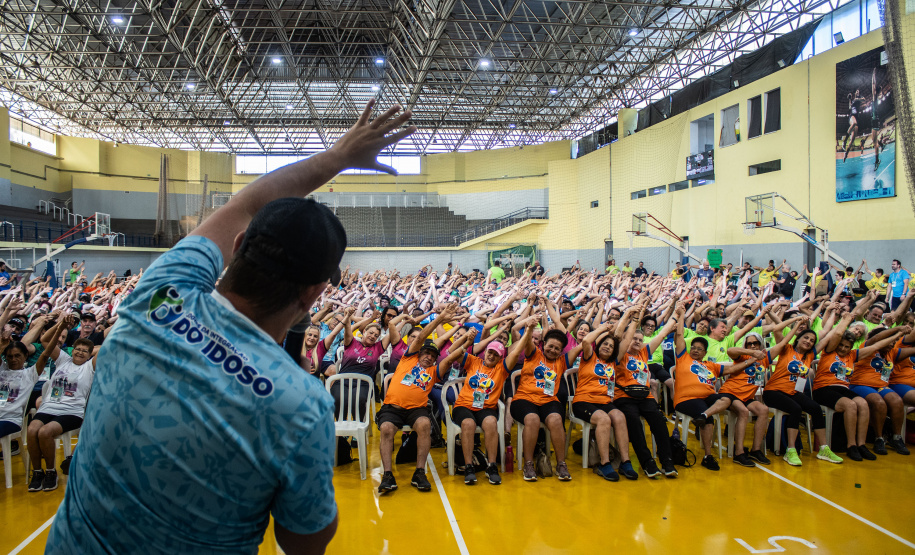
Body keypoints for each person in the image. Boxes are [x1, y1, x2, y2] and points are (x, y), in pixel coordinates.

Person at [46, 100, 416, 554]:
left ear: (239, 244)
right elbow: (303, 540)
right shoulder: (299, 404)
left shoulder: (162, 292)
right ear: (315, 293)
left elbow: (246, 203)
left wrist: (337, 156)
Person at [376, 304, 466, 494]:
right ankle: (387, 475)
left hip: (416, 409)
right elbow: (423, 335)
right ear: (419, 353)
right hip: (392, 407)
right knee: (386, 429)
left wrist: (466, 339)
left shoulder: (434, 371)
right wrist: (440, 318)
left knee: (425, 425)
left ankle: (419, 472)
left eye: (433, 356)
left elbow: (449, 359)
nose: (429, 357)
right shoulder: (408, 358)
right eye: (426, 353)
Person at [814, 313, 902, 461]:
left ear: (851, 347)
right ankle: (851, 445)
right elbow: (837, 333)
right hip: (823, 388)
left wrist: (898, 334)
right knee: (851, 405)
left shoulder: (853, 355)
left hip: (843, 389)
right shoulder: (829, 352)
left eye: (846, 347)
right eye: (841, 345)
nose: (842, 349)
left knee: (863, 404)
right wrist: (847, 319)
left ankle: (861, 445)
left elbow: (877, 345)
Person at [672, 314, 755, 470]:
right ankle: (708, 456)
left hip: (708, 397)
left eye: (700, 349)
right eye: (694, 348)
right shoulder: (683, 358)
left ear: (705, 353)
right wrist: (681, 314)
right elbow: (679, 335)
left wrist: (749, 361)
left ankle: (703, 415)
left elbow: (731, 368)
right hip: (686, 399)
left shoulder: (711, 365)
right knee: (708, 418)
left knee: (726, 399)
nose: (696, 350)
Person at [27, 315, 93, 492]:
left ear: (89, 355)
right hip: (49, 407)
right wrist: (61, 324)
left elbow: (105, 350)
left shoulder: (89, 367)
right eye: (77, 349)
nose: (79, 352)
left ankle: (50, 471)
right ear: (73, 350)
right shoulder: (63, 359)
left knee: (45, 432)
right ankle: (38, 472)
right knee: (32, 429)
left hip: (71, 412)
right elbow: (45, 339)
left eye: (84, 351)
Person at [761, 325, 843, 466]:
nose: (808, 341)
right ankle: (790, 450)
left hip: (793, 392)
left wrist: (842, 321)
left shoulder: (810, 355)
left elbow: (827, 338)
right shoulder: (786, 349)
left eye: (812, 340)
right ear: (798, 338)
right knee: (796, 409)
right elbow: (776, 331)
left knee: (816, 408)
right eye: (805, 337)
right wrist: (797, 322)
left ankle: (823, 449)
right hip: (773, 391)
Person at [615, 302, 680, 478]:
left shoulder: (644, 353)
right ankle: (647, 462)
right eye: (634, 339)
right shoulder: (620, 354)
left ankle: (667, 461)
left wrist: (676, 314)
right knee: (635, 423)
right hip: (624, 396)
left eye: (640, 340)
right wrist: (632, 317)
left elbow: (664, 332)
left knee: (659, 420)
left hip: (645, 396)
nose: (637, 342)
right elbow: (620, 335)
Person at [451, 334, 523, 486]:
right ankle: (469, 466)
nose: (491, 356)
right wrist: (468, 342)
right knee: (468, 424)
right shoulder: (473, 361)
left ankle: (491, 466)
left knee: (491, 422)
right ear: (485, 352)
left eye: (496, 354)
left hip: (486, 407)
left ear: (500, 357)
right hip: (464, 405)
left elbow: (516, 353)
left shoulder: (501, 368)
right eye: (490, 352)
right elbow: (453, 351)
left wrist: (528, 330)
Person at [572, 322, 638, 481]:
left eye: (610, 346)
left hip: (604, 401)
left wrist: (633, 317)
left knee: (620, 416)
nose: (607, 347)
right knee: (603, 418)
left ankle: (625, 461)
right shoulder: (589, 357)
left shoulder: (613, 363)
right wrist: (603, 329)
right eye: (605, 344)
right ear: (599, 345)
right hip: (583, 401)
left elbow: (627, 339)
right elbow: (586, 342)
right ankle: (604, 463)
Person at [849, 325, 913, 455]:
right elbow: (877, 337)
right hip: (860, 384)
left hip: (881, 386)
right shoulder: (867, 347)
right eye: (889, 341)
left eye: (894, 342)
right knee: (879, 402)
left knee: (896, 401)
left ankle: (896, 437)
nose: (892, 344)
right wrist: (897, 329)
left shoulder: (892, 353)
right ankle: (879, 438)